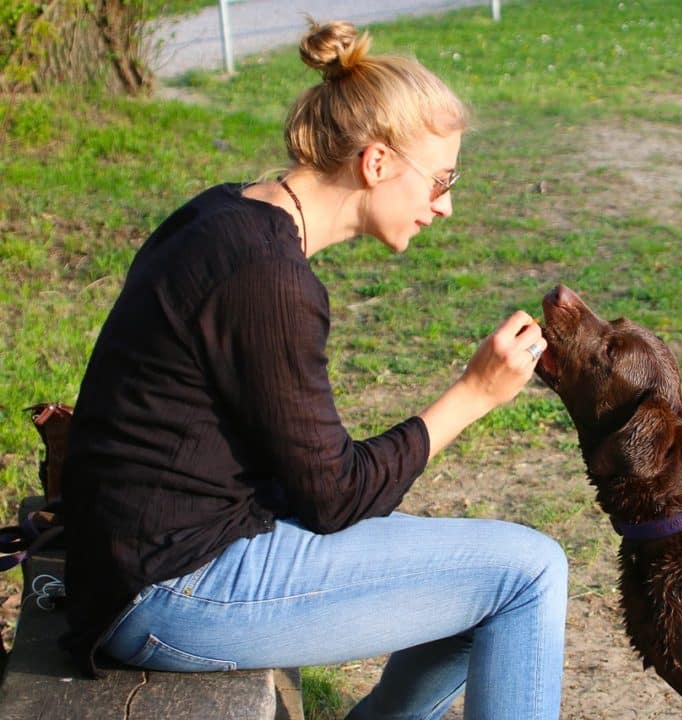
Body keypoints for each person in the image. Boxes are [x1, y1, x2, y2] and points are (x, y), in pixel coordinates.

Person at [60, 18, 568, 720]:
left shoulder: (227, 214)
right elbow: (332, 499)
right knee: (531, 573)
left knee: (486, 568)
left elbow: (304, 476)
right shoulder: (270, 279)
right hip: (168, 590)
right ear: (378, 162)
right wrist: (474, 394)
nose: (445, 205)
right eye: (441, 180)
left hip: (147, 559)